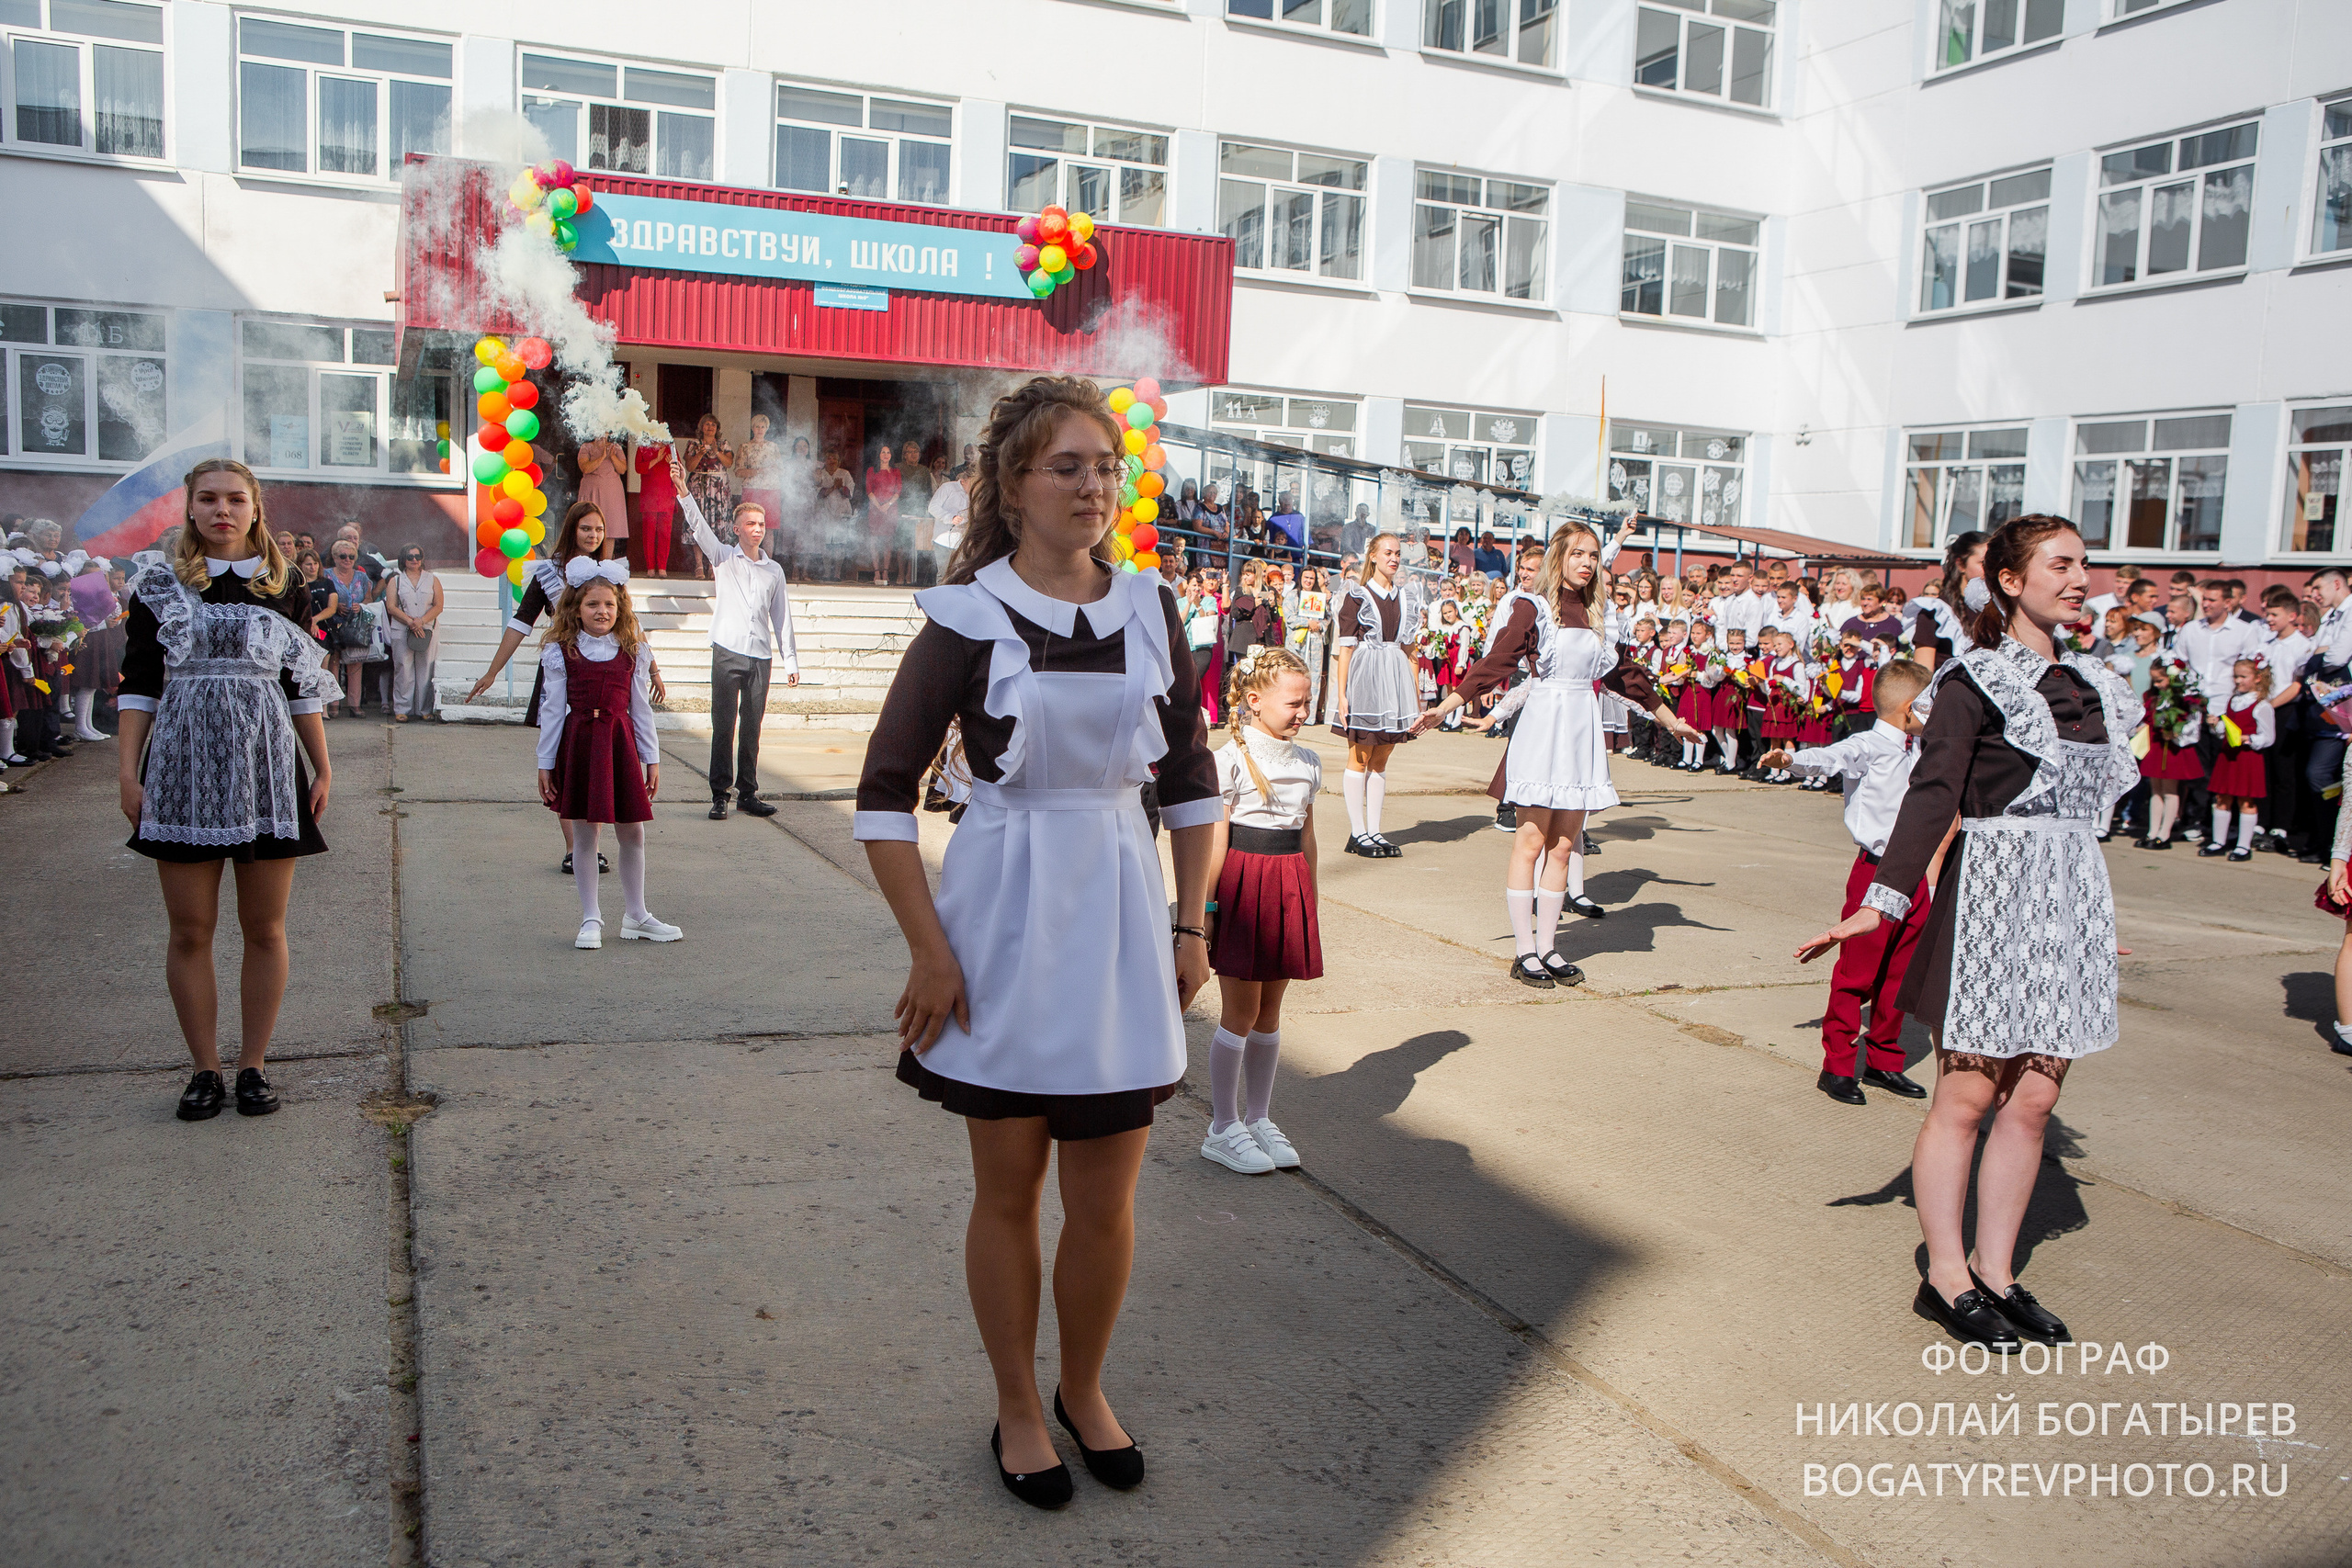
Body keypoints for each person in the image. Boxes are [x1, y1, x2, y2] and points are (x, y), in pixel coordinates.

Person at [852, 375, 1218, 1509]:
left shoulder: (1153, 607)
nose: (1094, 486)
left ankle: (1085, 1388)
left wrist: (1191, 919)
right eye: (1067, 465)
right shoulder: (965, 615)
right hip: (1004, 915)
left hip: (1116, 908)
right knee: (1008, 1187)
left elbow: (1193, 785)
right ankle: (1018, 1403)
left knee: (1106, 1196)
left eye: (1106, 466)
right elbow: (879, 797)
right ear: (1012, 484)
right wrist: (929, 950)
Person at [1798, 514, 2139, 1351]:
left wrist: (2090, 916)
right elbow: (1932, 797)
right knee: (1968, 1094)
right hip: (1988, 894)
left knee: (2035, 1096)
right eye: (2060, 563)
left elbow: (2080, 814)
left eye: (2083, 563)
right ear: (2011, 582)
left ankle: (1997, 1270)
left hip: (2063, 900)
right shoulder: (1972, 681)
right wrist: (1883, 901)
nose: (2078, 576)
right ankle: (1945, 1275)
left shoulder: (2094, 686)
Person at [117, 459, 336, 1121]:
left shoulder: (285, 584)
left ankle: (253, 1066)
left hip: (268, 767)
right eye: (207, 499)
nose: (221, 510)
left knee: (265, 927)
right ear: (189, 508)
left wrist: (321, 767)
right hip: (182, 769)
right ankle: (204, 1068)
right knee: (190, 930)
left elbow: (300, 686)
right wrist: (128, 770)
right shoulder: (158, 585)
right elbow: (138, 684)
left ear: (255, 508)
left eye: (235, 499)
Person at [1417, 525, 1700, 987]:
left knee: (1565, 847)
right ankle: (1524, 951)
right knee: (1530, 843)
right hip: (1545, 724)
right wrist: (1447, 705)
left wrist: (1669, 719)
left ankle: (1549, 948)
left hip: (1580, 731)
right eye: (1578, 554)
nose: (1587, 563)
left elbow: (1624, 675)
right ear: (1559, 558)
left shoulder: (1595, 612)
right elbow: (1499, 661)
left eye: (1592, 555)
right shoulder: (1534, 607)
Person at [1760, 661, 1938, 1105]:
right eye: (1932, 703)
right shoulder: (1872, 744)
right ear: (1911, 707)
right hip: (1875, 871)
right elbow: (1833, 756)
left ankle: (1884, 1060)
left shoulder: (1924, 748)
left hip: (1917, 874)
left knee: (1900, 973)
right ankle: (1837, 1065)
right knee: (1857, 973)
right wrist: (1793, 758)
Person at [466, 502, 662, 874]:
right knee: (567, 759)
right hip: (566, 672)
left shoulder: (609, 573)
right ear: (572, 529)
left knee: (601, 763)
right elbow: (521, 623)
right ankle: (576, 848)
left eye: (599, 530)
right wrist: (493, 671)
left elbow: (630, 625)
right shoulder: (547, 574)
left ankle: (592, 845)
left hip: (609, 672)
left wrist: (652, 669)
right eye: (586, 529)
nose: (593, 536)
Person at [1201, 644, 1322, 1177]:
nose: (1303, 712)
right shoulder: (1229, 759)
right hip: (1243, 889)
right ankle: (1222, 1125)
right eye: (1294, 703)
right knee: (1240, 1011)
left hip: (1287, 885)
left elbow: (1308, 838)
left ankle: (1258, 1117)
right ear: (1253, 699)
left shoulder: (1308, 762)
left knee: (1271, 1012)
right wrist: (1205, 911)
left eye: (1307, 702)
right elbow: (1215, 844)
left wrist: (1309, 899)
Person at [535, 563, 680, 949]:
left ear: (620, 608)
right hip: (581, 743)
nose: (602, 611)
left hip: (620, 744)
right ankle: (590, 919)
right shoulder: (561, 652)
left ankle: (637, 915)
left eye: (610, 605)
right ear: (576, 608)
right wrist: (545, 763)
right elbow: (551, 711)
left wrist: (652, 758)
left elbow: (641, 710)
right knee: (586, 832)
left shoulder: (633, 651)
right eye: (593, 604)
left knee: (633, 830)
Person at [677, 475, 800, 821]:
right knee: (724, 725)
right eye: (750, 523)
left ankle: (748, 792)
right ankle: (720, 795)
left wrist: (790, 661)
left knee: (751, 726)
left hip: (760, 655)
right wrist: (685, 492)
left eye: (761, 523)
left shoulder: (773, 570)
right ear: (736, 529)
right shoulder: (723, 558)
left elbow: (782, 618)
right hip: (727, 650)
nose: (757, 529)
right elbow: (699, 527)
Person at [1329, 533, 1419, 858]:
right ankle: (1357, 832)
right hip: (1366, 678)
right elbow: (1346, 648)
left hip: (1394, 682)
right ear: (1373, 557)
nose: (1393, 558)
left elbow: (1410, 650)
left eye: (1397, 553)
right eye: (1387, 553)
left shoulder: (1407, 598)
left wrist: (1415, 695)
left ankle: (1375, 830)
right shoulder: (1358, 594)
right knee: (1360, 755)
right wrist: (1342, 694)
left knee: (1382, 756)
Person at [2199, 658, 2274, 861]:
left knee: (2246, 801)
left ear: (2257, 678)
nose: (2238, 681)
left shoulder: (2262, 705)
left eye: (2243, 676)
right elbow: (2226, 730)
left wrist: (2248, 739)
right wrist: (2216, 724)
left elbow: (2268, 737)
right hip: (2228, 756)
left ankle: (2243, 845)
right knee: (2222, 798)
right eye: (2236, 676)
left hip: (2247, 758)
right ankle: (2218, 841)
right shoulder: (2233, 700)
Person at [2137, 656, 2203, 848]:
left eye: (2160, 680)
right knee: (2155, 788)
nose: (2157, 685)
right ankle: (2152, 831)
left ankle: (2165, 833)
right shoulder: (2153, 698)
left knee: (2170, 790)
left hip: (2172, 746)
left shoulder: (2181, 699)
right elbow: (2148, 718)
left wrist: (2175, 731)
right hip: (2157, 744)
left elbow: (2191, 723)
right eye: (2154, 681)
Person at [381, 546, 442, 723]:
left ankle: (424, 708)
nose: (414, 559)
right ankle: (402, 708)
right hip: (402, 628)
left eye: (418, 556)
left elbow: (438, 605)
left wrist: (421, 622)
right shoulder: (396, 581)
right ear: (403, 559)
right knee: (403, 668)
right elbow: (391, 606)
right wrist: (410, 622)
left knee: (425, 668)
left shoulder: (432, 579)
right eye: (410, 556)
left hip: (427, 628)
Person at [1913, 531, 1988, 669]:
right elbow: (1922, 674)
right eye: (1983, 563)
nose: (1990, 569)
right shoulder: (1937, 611)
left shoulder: (1998, 609)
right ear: (1961, 565)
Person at [321, 541, 379, 716]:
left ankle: (355, 704)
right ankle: (333, 704)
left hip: (355, 625)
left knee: (355, 662)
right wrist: (335, 605)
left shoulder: (362, 577)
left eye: (351, 556)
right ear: (335, 558)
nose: (347, 560)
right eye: (343, 556)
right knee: (333, 663)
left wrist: (360, 606)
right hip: (333, 623)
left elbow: (369, 599)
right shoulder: (326, 575)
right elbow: (320, 596)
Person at [680, 415, 734, 579]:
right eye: (706, 424)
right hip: (699, 487)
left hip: (718, 488)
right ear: (701, 427)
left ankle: (713, 565)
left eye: (713, 425)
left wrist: (716, 451)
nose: (710, 427)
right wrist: (699, 454)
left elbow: (729, 463)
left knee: (717, 526)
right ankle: (699, 566)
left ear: (717, 428)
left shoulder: (724, 444)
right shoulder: (693, 444)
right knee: (699, 524)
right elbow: (689, 466)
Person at [576, 435, 631, 569]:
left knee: (610, 527)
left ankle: (605, 564)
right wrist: (602, 456)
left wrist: (612, 456)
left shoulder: (615, 447)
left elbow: (622, 469)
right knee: (589, 524)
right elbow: (585, 468)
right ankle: (588, 563)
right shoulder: (586, 447)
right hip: (591, 491)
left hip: (611, 493)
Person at [734, 415, 784, 552]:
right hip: (752, 490)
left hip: (771, 490)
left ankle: (767, 565)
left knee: (768, 529)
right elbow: (738, 471)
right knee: (749, 528)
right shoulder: (745, 447)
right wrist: (757, 471)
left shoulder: (773, 447)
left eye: (763, 427)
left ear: (767, 428)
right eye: (757, 426)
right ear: (752, 428)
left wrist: (773, 470)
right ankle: (748, 562)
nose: (760, 429)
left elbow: (781, 469)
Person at [632, 437, 678, 576]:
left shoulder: (670, 448)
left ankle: (662, 567)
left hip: (667, 496)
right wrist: (657, 459)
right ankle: (650, 567)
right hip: (649, 496)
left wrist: (672, 463)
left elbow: (679, 470)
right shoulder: (643, 448)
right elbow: (639, 468)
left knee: (665, 534)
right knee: (649, 533)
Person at [898, 439, 936, 586]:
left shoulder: (924, 470)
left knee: (915, 543)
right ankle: (901, 574)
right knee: (902, 544)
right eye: (910, 452)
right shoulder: (898, 468)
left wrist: (926, 510)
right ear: (904, 455)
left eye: (916, 452)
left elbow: (928, 492)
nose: (914, 455)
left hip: (919, 510)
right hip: (902, 510)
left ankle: (910, 575)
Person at [929, 461, 970, 585]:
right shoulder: (947, 488)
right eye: (972, 482)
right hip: (943, 538)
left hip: (962, 540)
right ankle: (939, 602)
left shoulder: (973, 494)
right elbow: (932, 507)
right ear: (963, 481)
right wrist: (950, 518)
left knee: (960, 574)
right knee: (944, 574)